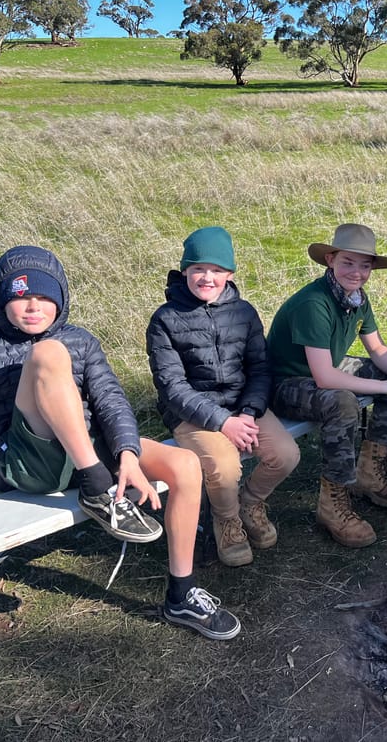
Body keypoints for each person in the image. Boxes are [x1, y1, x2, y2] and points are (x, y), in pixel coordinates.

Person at [0, 245, 240, 640]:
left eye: (44, 297)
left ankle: (181, 594)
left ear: (60, 300)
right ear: (1, 302)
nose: (33, 307)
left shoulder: (82, 341)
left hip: (85, 450)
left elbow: (110, 401)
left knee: (185, 465)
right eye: (20, 297)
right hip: (30, 459)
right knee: (48, 354)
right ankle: (95, 486)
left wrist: (126, 454)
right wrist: (3, 479)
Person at [146, 226, 300, 568]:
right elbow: (171, 386)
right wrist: (222, 422)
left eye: (216, 270)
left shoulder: (244, 312)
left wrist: (248, 411)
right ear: (184, 270)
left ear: (229, 274)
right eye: (198, 268)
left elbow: (260, 368)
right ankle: (227, 520)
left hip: (242, 406)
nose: (206, 277)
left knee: (286, 454)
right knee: (224, 466)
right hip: (191, 413)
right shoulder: (165, 319)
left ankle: (251, 503)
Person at [268, 224, 387, 548]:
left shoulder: (357, 298)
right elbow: (325, 379)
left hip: (324, 371)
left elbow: (376, 348)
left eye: (365, 265)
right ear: (331, 260)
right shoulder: (314, 302)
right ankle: (332, 504)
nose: (357, 272)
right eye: (349, 262)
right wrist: (385, 389)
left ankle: (369, 473)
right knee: (343, 402)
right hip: (285, 382)